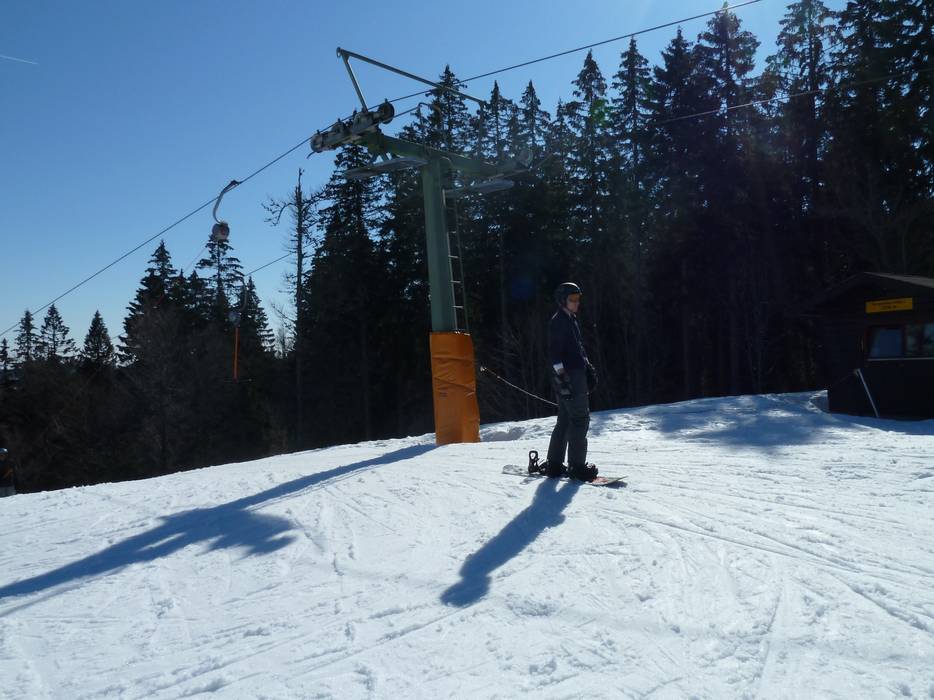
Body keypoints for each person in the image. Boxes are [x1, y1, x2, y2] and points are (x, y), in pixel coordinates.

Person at [541, 282, 599, 481]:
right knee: (580, 419)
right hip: (570, 376)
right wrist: (563, 378)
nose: (576, 302)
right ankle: (576, 466)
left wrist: (587, 366)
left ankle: (554, 464)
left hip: (575, 374)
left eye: (578, 298)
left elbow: (577, 348)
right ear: (562, 301)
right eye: (572, 299)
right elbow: (554, 354)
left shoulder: (570, 319)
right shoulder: (559, 322)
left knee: (565, 419)